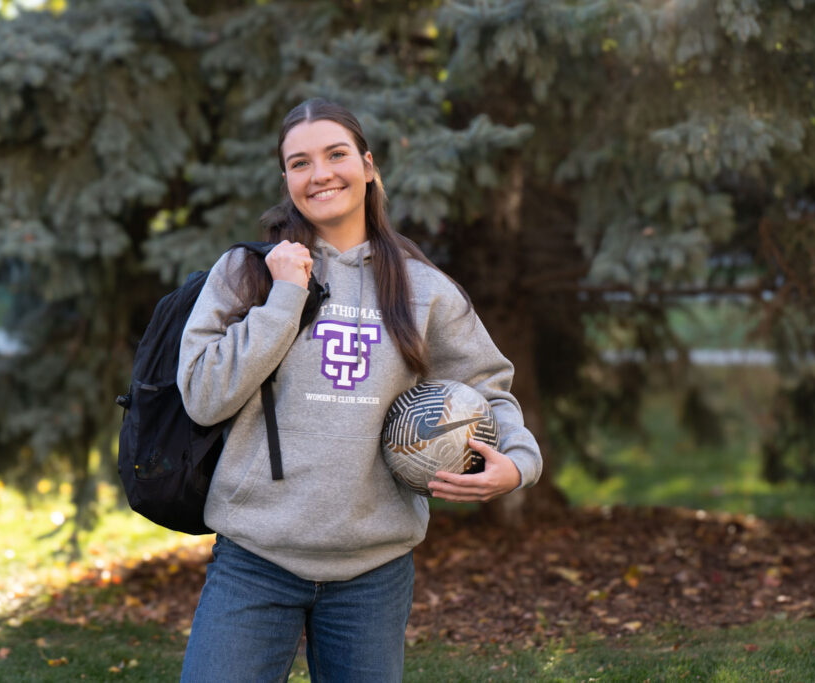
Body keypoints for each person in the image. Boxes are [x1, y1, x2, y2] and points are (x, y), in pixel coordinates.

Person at [176, 98, 543, 682]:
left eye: (336, 154)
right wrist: (285, 298)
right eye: (300, 163)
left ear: (368, 165)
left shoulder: (425, 289)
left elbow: (487, 387)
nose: (320, 173)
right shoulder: (246, 273)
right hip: (255, 559)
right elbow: (202, 394)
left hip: (375, 569)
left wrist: (518, 463)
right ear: (286, 180)